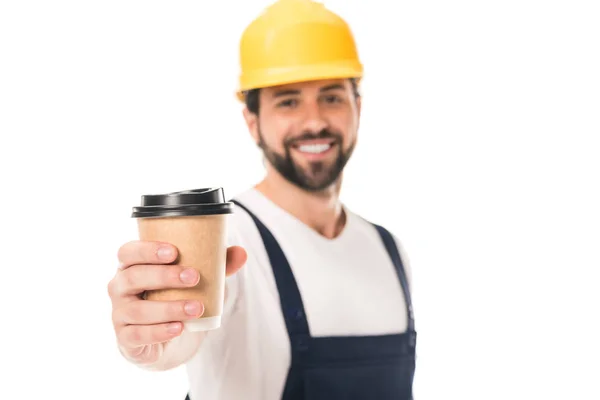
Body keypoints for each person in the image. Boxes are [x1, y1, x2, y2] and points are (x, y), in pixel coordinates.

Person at [107, 0, 417, 399]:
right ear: (252, 121)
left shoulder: (389, 250)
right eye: (288, 101)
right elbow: (172, 346)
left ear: (358, 106)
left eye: (332, 96)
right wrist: (149, 341)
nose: (314, 120)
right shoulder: (226, 238)